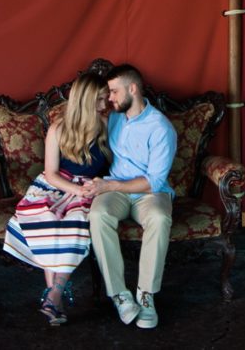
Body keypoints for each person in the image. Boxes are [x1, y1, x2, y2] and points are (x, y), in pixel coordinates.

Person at [2, 72, 111, 326]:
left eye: (106, 99)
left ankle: (54, 296)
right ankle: (55, 299)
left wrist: (91, 188)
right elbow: (50, 173)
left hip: (89, 188)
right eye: (100, 100)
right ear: (85, 100)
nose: (105, 105)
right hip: (56, 185)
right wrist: (72, 190)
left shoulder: (107, 124)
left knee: (75, 225)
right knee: (47, 219)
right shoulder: (59, 128)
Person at [83, 64, 176, 329]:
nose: (110, 98)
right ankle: (120, 295)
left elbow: (154, 181)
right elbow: (79, 121)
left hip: (149, 193)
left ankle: (146, 296)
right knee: (98, 213)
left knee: (159, 218)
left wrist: (109, 187)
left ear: (132, 89)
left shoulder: (161, 127)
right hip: (116, 189)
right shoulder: (113, 117)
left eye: (113, 91)